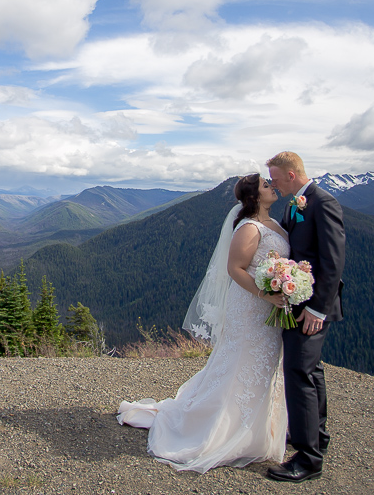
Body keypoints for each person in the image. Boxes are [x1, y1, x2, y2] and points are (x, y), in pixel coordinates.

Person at [117, 173, 290, 473]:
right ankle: (224, 427)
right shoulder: (248, 228)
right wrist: (266, 293)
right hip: (251, 306)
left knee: (264, 363)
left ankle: (260, 429)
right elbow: (234, 268)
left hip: (269, 307)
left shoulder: (276, 224)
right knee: (242, 362)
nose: (271, 186)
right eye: (265, 185)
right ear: (254, 197)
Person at [264, 151, 345, 483]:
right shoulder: (293, 203)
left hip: (311, 307)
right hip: (296, 303)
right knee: (312, 371)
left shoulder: (323, 203)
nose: (273, 183)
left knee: (297, 372)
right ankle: (318, 437)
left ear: (292, 175)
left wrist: (317, 309)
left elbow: (333, 260)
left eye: (276, 178)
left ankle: (308, 458)